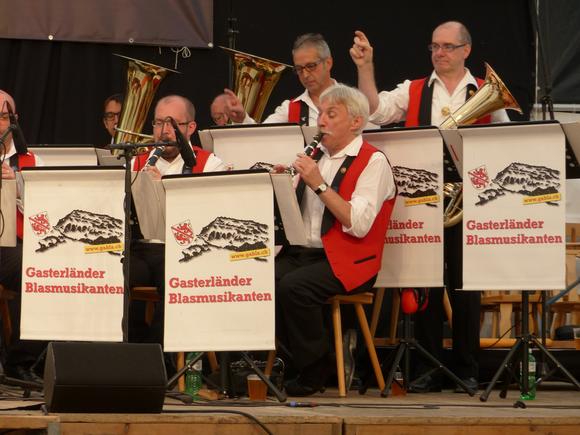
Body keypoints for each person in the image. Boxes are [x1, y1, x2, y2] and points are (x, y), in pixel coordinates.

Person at [350, 21, 510, 393]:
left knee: (466, 289)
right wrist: (365, 67)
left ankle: (468, 369)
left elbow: (504, 142)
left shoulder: (485, 90)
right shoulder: (414, 89)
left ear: (466, 50)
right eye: (435, 46)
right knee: (426, 287)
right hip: (422, 203)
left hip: (467, 203)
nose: (439, 53)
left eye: (448, 46)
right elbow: (375, 111)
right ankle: (428, 368)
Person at [275, 84, 396, 396]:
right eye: (320, 115)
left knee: (294, 287)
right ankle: (284, 363)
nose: (321, 122)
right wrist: (282, 185)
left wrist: (318, 184)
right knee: (260, 281)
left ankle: (315, 369)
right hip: (304, 252)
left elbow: (358, 224)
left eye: (331, 114)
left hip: (351, 260)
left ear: (356, 122)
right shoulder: (315, 156)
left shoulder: (373, 161)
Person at [130, 95, 225, 348]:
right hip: (142, 247)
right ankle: (127, 348)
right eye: (159, 123)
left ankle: (158, 355)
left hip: (184, 250)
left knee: (175, 278)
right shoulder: (137, 162)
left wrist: (162, 188)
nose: (164, 131)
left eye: (172, 124)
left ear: (190, 127)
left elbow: (208, 220)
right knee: (111, 273)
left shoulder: (210, 164)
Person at [0, 90, 45, 383]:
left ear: (14, 120)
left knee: (39, 270)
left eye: (3, 117)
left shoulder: (32, 160)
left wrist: (16, 186)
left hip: (13, 242)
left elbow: (44, 212)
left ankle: (21, 360)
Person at [224, 33, 336, 126]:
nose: (305, 75)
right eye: (299, 69)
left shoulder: (347, 100)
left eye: (311, 66)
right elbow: (261, 135)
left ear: (328, 63)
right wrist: (242, 119)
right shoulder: (289, 108)